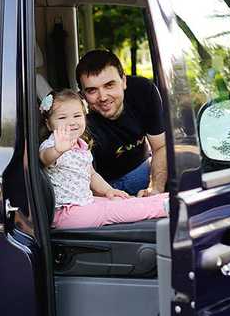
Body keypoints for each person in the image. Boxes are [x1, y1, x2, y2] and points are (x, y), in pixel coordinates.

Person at [38, 89, 168, 229]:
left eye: (77, 116)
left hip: (84, 203)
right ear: (49, 124)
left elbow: (92, 174)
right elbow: (44, 158)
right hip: (66, 213)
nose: (72, 122)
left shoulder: (81, 145)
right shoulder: (52, 145)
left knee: (121, 200)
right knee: (118, 210)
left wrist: (108, 191)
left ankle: (163, 200)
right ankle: (167, 207)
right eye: (62, 118)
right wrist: (57, 150)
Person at [75, 49, 167, 196]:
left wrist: (155, 189)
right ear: (83, 95)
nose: (103, 97)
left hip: (145, 168)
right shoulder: (78, 119)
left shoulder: (143, 91)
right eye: (92, 90)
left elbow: (161, 146)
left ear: (124, 81)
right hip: (105, 188)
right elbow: (85, 181)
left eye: (109, 85)